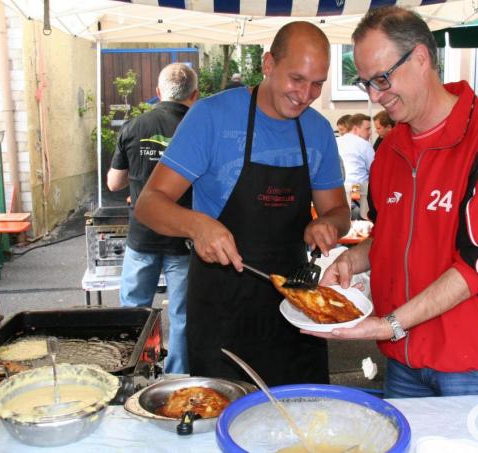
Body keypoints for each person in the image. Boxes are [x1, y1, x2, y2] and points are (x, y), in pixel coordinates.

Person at [306, 6, 478, 398]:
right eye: (366, 84)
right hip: (404, 361)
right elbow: (388, 237)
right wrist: (348, 260)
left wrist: (388, 324)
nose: (376, 97)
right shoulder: (391, 148)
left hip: (476, 368)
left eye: (382, 78)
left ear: (420, 57)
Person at [134, 22, 350, 386]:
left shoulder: (317, 129)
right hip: (222, 307)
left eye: (317, 84)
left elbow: (340, 211)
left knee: (303, 417)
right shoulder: (211, 117)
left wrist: (328, 223)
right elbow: (149, 203)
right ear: (268, 64)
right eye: (297, 79)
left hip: (296, 304)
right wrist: (195, 224)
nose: (306, 94)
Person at [106, 63, 199, 374]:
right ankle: (178, 378)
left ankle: (133, 372)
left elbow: (114, 183)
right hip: (184, 238)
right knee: (185, 314)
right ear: (195, 95)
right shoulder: (201, 128)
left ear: (158, 93)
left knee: (135, 310)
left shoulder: (134, 127)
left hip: (142, 236)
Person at [336, 113, 375, 219]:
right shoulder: (364, 145)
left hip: (338, 190)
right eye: (367, 129)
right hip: (357, 189)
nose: (370, 133)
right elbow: (374, 170)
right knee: (363, 219)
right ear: (355, 129)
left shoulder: (336, 142)